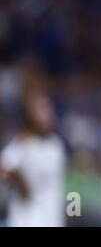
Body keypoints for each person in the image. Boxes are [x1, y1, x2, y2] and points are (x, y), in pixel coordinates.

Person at [0, 93, 66, 227]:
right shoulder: (22, 144)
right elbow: (4, 169)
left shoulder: (56, 145)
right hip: (27, 221)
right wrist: (19, 179)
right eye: (42, 110)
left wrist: (73, 212)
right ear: (29, 116)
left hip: (53, 221)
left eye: (49, 109)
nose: (48, 114)